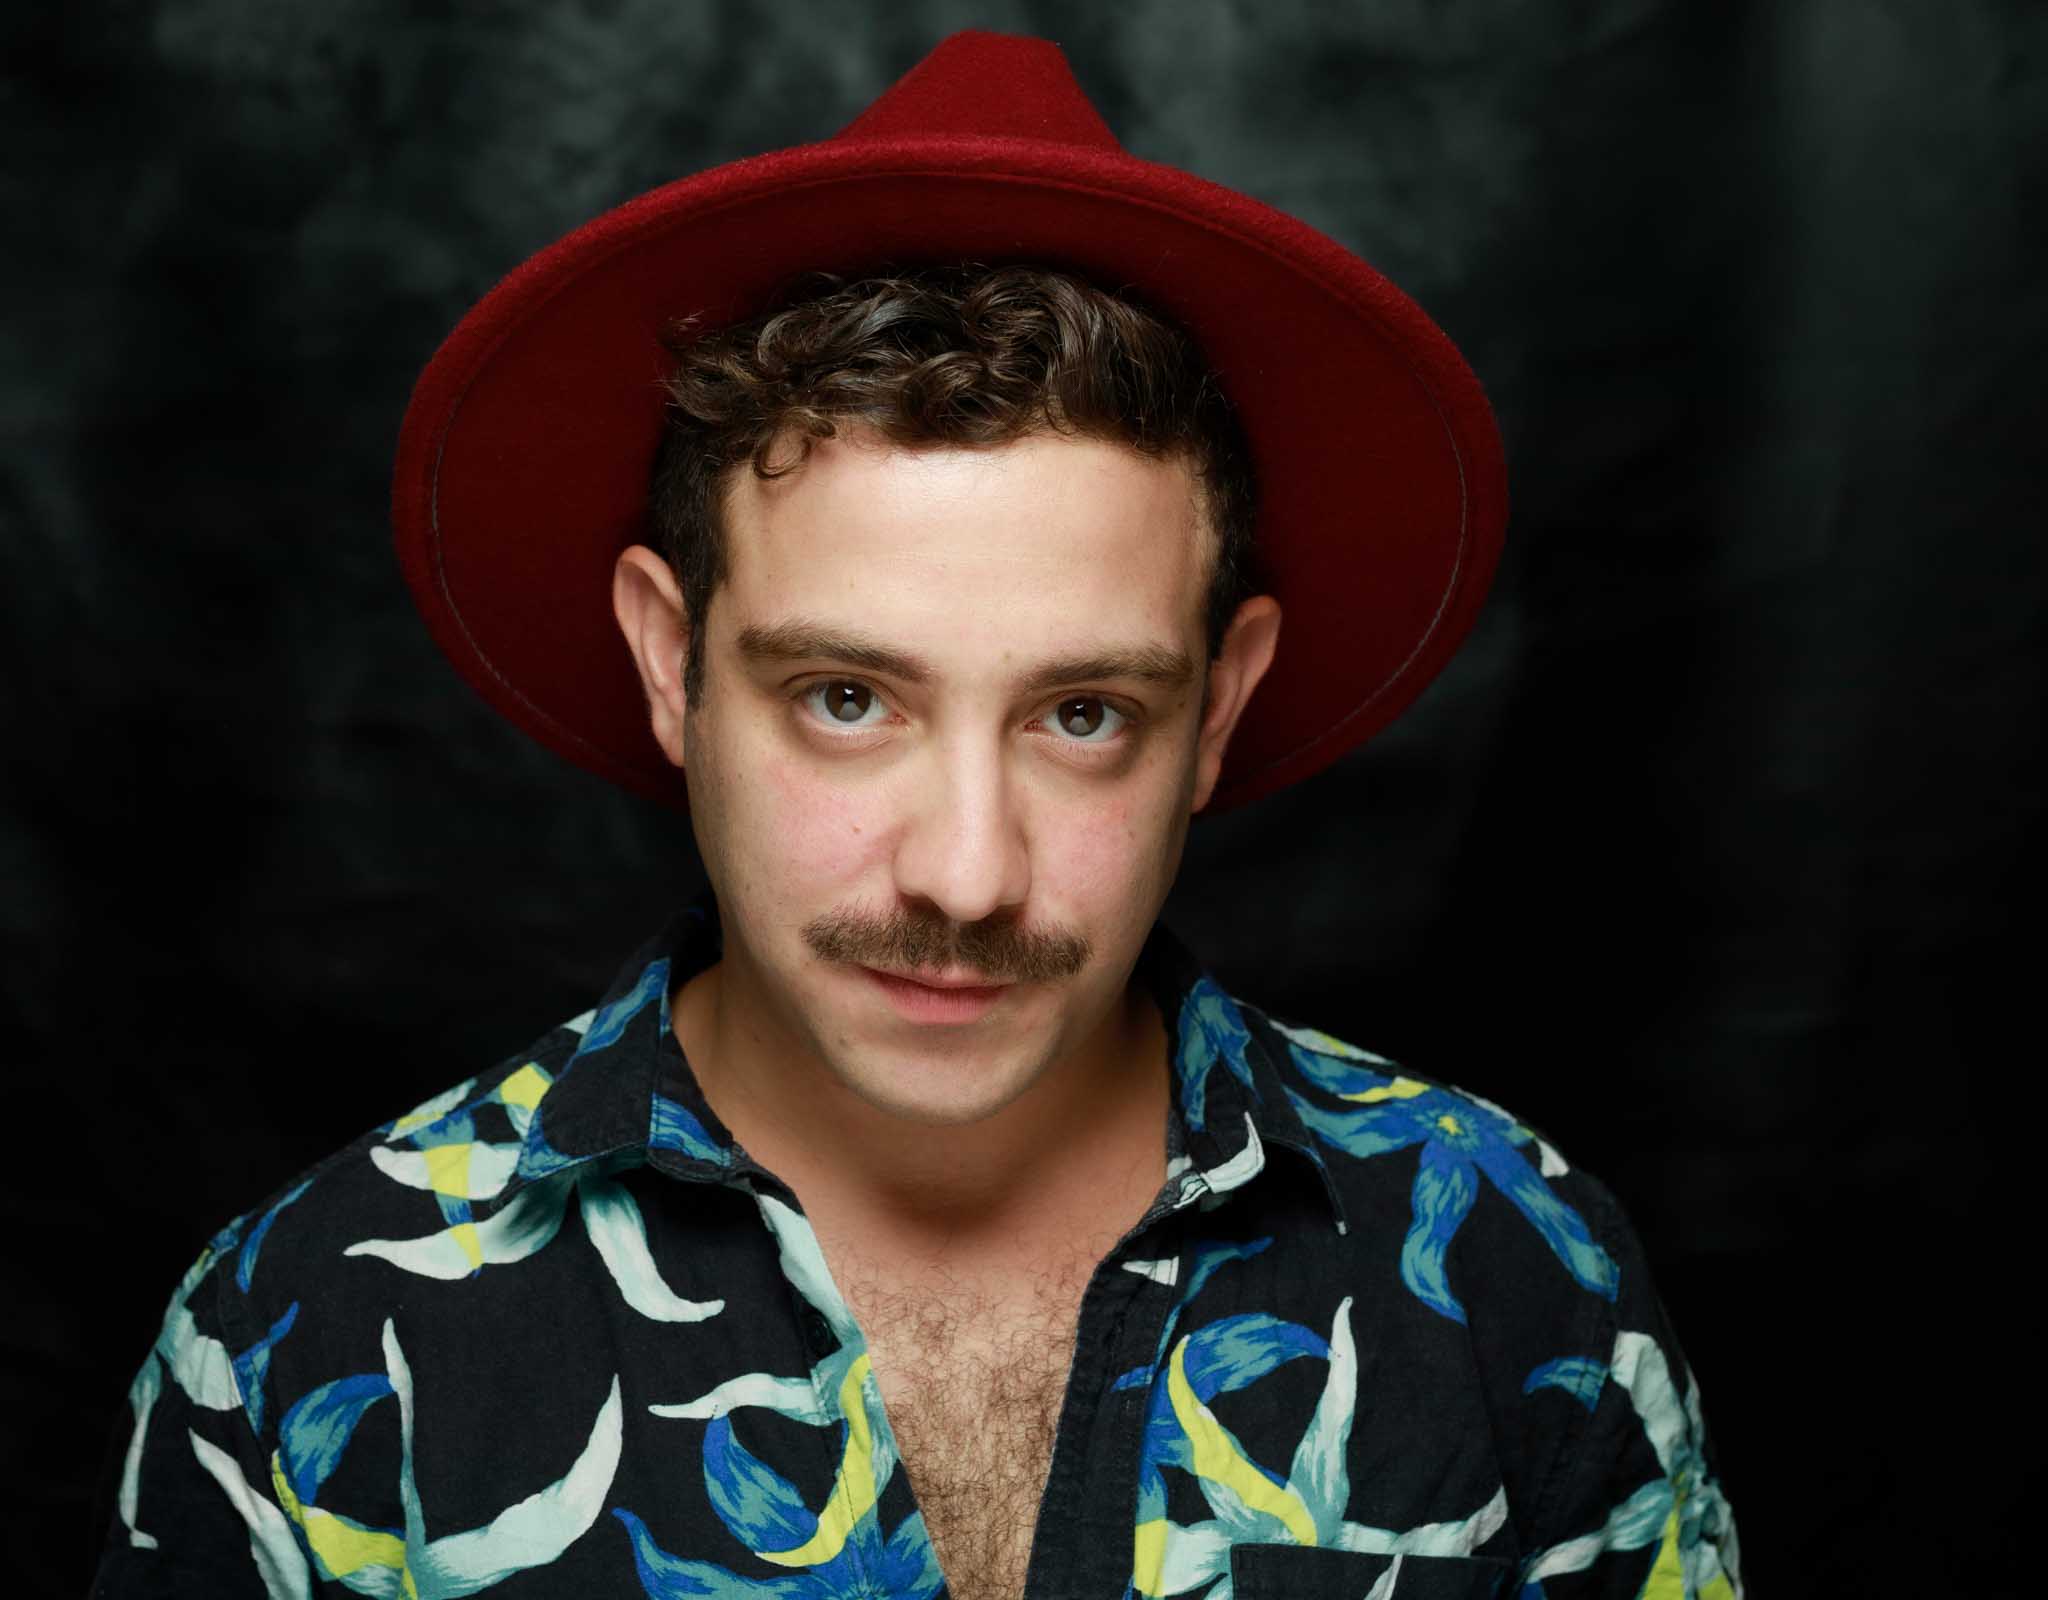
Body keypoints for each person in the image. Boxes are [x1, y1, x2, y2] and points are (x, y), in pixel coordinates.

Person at [92, 29, 1742, 1600]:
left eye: (1083, 716)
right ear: (671, 664)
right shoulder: (305, 1335)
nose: (965, 874)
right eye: (846, 698)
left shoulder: (1515, 1267)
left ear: (1221, 708)